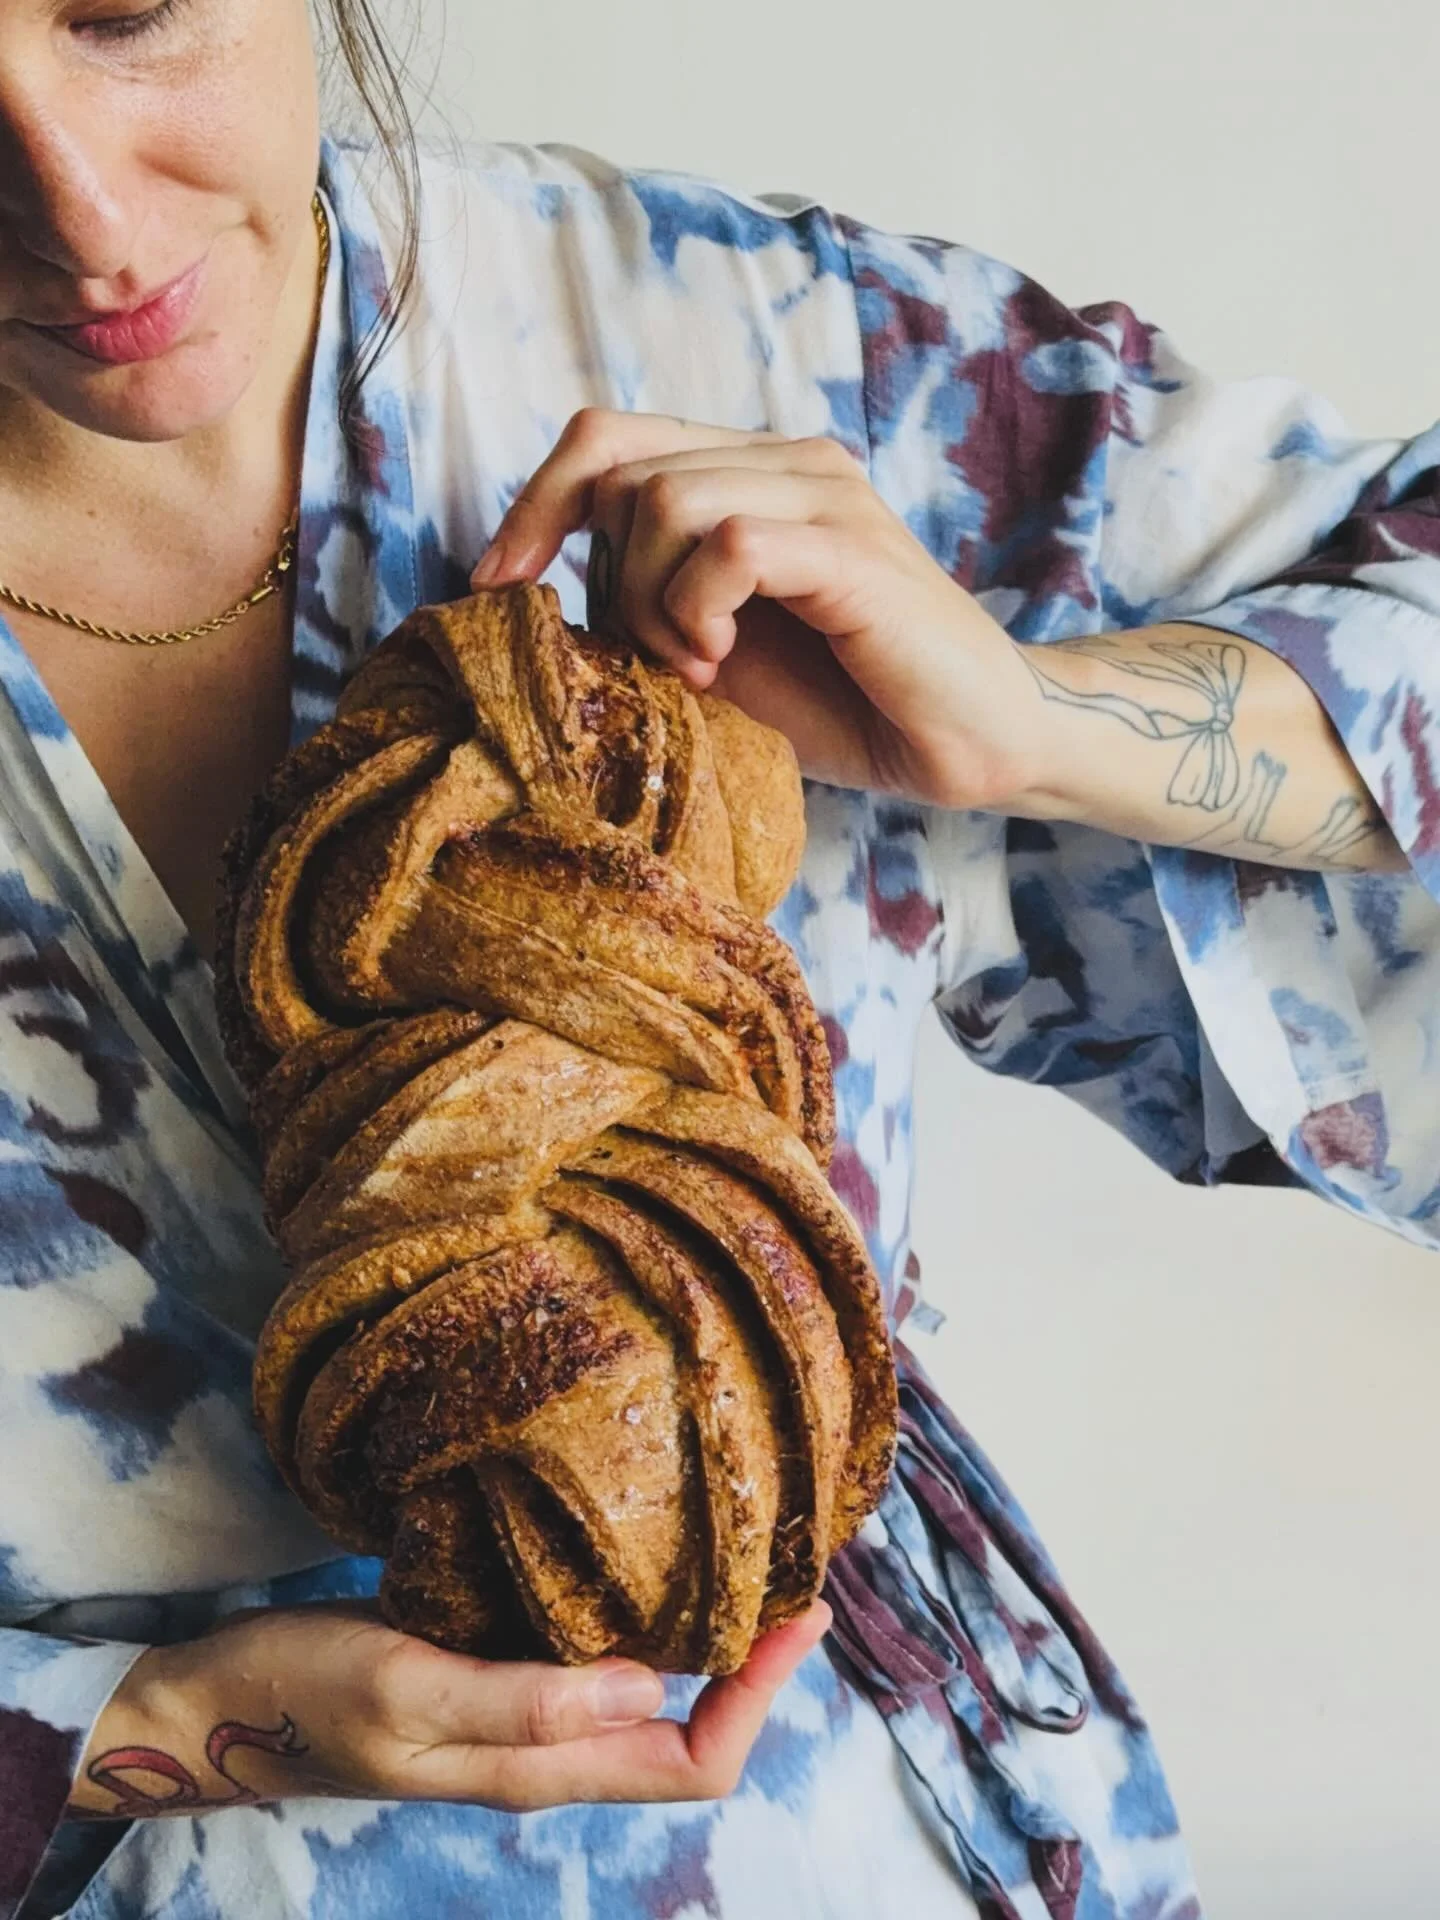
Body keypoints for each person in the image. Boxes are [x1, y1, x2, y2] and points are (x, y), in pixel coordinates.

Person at [0, 0, 1435, 1913]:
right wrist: (159, 1721)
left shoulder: (740, 347)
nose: (83, 211)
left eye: (127, 13)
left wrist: (1033, 719)